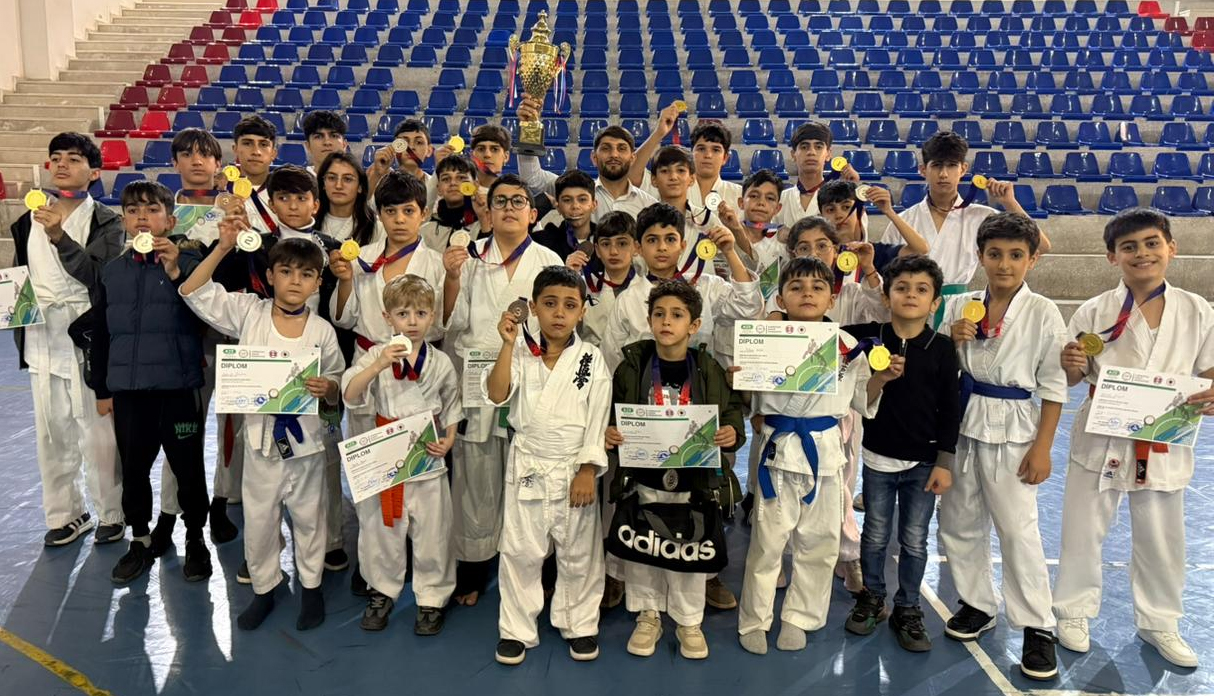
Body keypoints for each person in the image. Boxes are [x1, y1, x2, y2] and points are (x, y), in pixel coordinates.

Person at [1052, 208, 1214, 669]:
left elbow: (1208, 370)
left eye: (1151, 243)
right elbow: (1072, 377)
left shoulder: (1197, 310)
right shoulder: (1094, 310)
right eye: (1129, 247)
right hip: (1102, 431)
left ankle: (1160, 621)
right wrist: (1070, 366)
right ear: (1112, 257)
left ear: (1171, 248)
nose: (1141, 253)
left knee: (1163, 536)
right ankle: (1072, 611)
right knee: (1082, 528)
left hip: (1165, 433)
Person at [180, 226, 343, 631]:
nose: (295, 281)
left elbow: (338, 379)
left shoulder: (322, 330)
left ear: (317, 283)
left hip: (306, 444)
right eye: (285, 272)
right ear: (270, 276)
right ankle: (264, 587)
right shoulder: (249, 312)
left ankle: (311, 587)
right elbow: (193, 291)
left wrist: (329, 388)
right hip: (260, 442)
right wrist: (223, 247)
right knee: (259, 520)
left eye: (306, 274)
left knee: (310, 518)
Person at [737, 256, 894, 654]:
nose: (807, 293)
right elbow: (749, 400)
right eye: (796, 287)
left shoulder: (849, 347)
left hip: (825, 454)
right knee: (767, 543)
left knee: (819, 544)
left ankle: (799, 618)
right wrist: (738, 375)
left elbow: (861, 400)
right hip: (778, 451)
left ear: (831, 299)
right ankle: (755, 619)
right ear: (781, 299)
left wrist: (882, 378)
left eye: (817, 287)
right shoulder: (764, 340)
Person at [941, 212, 1067, 680]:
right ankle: (977, 602)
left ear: (1032, 260)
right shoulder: (962, 305)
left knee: (1017, 528)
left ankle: (1037, 624)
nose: (1004, 264)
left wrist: (1043, 447)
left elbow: (1054, 387)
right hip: (962, 419)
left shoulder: (1043, 312)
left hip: (1014, 426)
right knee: (958, 520)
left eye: (1016, 255)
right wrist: (950, 339)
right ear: (980, 257)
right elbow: (940, 366)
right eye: (995, 254)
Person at [606, 280, 747, 660]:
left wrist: (731, 433)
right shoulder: (632, 366)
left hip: (693, 478)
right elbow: (613, 410)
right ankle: (647, 615)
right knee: (644, 546)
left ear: (694, 325)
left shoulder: (708, 368)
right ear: (649, 320)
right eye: (659, 314)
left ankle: (689, 621)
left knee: (688, 547)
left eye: (677, 315)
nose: (666, 321)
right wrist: (610, 432)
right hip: (645, 475)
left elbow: (731, 412)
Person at [442, 174, 563, 606]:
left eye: (518, 202)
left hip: (530, 378)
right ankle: (474, 565)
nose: (509, 208)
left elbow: (560, 327)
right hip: (478, 380)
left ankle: (539, 566)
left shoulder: (548, 260)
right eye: (501, 201)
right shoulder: (470, 258)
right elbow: (451, 323)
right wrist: (451, 279)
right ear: (488, 213)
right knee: (476, 476)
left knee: (532, 475)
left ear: (532, 214)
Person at [485, 266, 611, 665]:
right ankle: (516, 629)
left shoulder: (591, 358)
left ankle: (580, 623)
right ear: (534, 307)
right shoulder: (521, 351)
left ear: (582, 312)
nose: (559, 313)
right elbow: (497, 394)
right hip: (529, 462)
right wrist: (506, 344)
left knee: (579, 553)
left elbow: (598, 418)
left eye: (570, 305)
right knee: (520, 551)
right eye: (550, 303)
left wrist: (588, 469)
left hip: (574, 467)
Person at [331, 170, 447, 595]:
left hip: (416, 372)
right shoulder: (360, 258)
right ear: (378, 214)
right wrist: (346, 280)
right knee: (371, 474)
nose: (399, 219)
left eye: (408, 211)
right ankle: (373, 562)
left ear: (424, 214)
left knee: (419, 476)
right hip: (369, 364)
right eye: (391, 211)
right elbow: (344, 318)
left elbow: (440, 325)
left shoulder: (435, 264)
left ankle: (415, 557)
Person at [89, 181, 210, 584]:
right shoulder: (112, 272)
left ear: (170, 221)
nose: (142, 216)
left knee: (188, 470)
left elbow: (205, 315)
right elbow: (101, 333)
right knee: (134, 471)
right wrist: (102, 388)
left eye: (152, 209)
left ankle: (195, 538)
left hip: (178, 389)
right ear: (124, 220)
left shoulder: (188, 263)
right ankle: (139, 540)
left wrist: (177, 271)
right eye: (133, 210)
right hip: (130, 392)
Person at [10, 131, 125, 546]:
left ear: (94, 172)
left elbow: (99, 279)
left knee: (98, 435)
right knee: (51, 432)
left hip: (87, 334)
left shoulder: (107, 221)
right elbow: (19, 279)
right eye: (56, 157)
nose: (62, 164)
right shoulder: (28, 220)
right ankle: (66, 514)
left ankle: (112, 512)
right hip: (42, 334)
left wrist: (61, 237)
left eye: (74, 159)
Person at [842, 255, 959, 652]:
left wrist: (944, 462)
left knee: (914, 540)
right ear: (886, 296)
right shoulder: (866, 338)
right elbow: (817, 335)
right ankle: (873, 598)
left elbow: (950, 409)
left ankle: (908, 607)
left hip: (923, 463)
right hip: (878, 458)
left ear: (935, 302)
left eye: (921, 290)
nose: (911, 295)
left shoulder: (942, 348)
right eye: (902, 288)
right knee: (875, 536)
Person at [342, 275, 461, 635]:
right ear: (387, 317)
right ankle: (381, 591)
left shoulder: (440, 361)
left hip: (427, 452)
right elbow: (350, 394)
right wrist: (377, 365)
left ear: (432, 317)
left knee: (433, 531)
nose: (412, 321)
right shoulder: (375, 355)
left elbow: (452, 405)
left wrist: (449, 440)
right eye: (403, 313)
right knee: (381, 530)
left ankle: (432, 598)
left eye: (421, 313)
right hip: (386, 452)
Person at [158, 127, 243, 552]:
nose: (196, 161)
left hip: (227, 334)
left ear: (217, 163)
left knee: (232, 426)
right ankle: (170, 509)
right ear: (174, 162)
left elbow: (248, 268)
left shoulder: (237, 208)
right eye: (187, 154)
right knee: (182, 427)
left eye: (205, 154)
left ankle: (223, 501)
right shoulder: (163, 213)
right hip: (181, 337)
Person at [877, 131, 1047, 328]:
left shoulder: (981, 216)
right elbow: (884, 273)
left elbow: (1042, 246)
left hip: (962, 310)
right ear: (923, 170)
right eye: (936, 165)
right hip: (912, 309)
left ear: (963, 169)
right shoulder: (904, 220)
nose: (943, 174)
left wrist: (1009, 202)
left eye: (951, 165)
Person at [600, 203, 762, 373]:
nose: (662, 247)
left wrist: (729, 251)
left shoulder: (705, 287)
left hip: (699, 384)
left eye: (670, 239)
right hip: (643, 386)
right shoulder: (627, 300)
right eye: (652, 240)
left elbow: (748, 306)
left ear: (682, 246)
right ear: (639, 248)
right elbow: (611, 359)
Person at [516, 96, 657, 222]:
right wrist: (530, 126)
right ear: (594, 157)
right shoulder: (572, 191)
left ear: (633, 158)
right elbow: (532, 178)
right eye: (606, 148)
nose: (614, 154)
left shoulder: (649, 206)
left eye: (621, 149)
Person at [628, 109, 742, 212]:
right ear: (692, 153)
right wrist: (659, 133)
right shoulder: (670, 183)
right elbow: (631, 175)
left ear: (725, 158)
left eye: (716, 150)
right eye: (701, 149)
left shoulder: (739, 194)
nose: (708, 155)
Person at [816, 179, 929, 275]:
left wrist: (888, 211)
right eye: (830, 210)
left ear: (861, 212)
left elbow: (920, 250)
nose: (839, 215)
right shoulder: (817, 255)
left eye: (846, 207)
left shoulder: (875, 253)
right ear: (821, 217)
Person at [565, 210, 639, 348]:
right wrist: (567, 280)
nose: (613, 251)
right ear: (597, 250)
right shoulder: (582, 286)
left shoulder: (648, 290)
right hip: (590, 358)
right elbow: (564, 329)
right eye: (606, 244)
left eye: (622, 243)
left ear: (636, 247)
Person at [717, 169, 785, 304]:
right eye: (754, 196)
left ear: (778, 208)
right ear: (741, 203)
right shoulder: (725, 237)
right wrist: (736, 230)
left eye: (770, 198)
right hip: (730, 311)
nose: (761, 203)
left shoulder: (785, 241)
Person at [775, 122, 860, 229]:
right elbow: (761, 229)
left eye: (818, 147)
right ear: (793, 155)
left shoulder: (843, 199)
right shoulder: (781, 198)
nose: (811, 152)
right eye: (804, 147)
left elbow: (858, 233)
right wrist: (778, 231)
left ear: (828, 154)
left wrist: (852, 192)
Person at [419, 155, 485, 252]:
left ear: (475, 185)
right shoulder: (425, 232)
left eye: (461, 178)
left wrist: (485, 223)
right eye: (446, 179)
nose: (453, 183)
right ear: (439, 188)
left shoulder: (486, 224)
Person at [315, 151, 380, 245]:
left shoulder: (377, 228)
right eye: (332, 178)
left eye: (347, 179)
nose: (338, 186)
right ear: (323, 184)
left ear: (360, 187)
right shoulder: (308, 222)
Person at [230, 115, 281, 235]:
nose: (256, 152)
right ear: (235, 149)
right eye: (247, 143)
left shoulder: (287, 193)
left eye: (263, 145)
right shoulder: (222, 191)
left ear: (274, 153)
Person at [532, 169, 598, 260]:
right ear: (558, 207)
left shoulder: (609, 240)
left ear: (594, 205)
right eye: (567, 200)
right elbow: (516, 239)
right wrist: (544, 201)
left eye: (582, 199)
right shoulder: (543, 242)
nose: (575, 206)